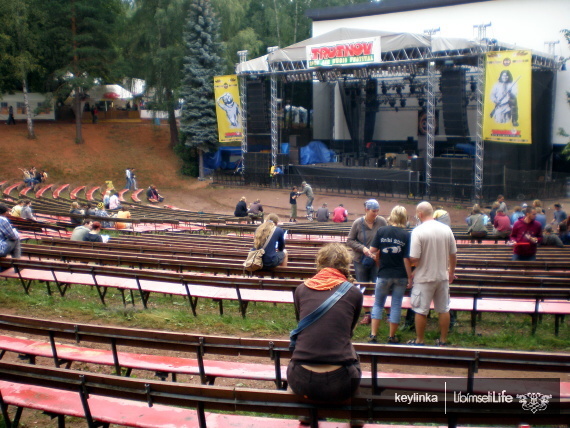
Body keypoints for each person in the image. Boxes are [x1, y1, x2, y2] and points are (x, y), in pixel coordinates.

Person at [287, 242, 362, 403]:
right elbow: (348, 332)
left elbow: (302, 322)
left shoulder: (301, 289)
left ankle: (308, 412)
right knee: (351, 351)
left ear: (320, 263)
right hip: (341, 382)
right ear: (345, 264)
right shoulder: (354, 293)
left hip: (300, 379)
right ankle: (355, 414)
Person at [407, 202, 457, 346]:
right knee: (443, 309)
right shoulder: (446, 229)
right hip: (442, 276)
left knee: (421, 310)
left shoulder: (418, 231)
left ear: (420, 214)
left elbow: (414, 258)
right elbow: (453, 254)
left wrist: (410, 264)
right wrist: (451, 272)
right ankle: (443, 340)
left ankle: (420, 340)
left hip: (424, 277)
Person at [368, 206, 412, 344]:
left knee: (378, 304)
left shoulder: (382, 231)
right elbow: (406, 258)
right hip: (400, 274)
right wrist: (410, 277)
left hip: (384, 273)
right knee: (396, 304)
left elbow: (372, 250)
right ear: (404, 218)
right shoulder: (406, 235)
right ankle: (392, 336)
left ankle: (373, 335)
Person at [347, 199, 387, 325]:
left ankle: (376, 311)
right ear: (366, 210)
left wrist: (378, 253)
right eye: (373, 211)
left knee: (377, 285)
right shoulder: (358, 223)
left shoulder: (382, 222)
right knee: (363, 285)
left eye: (377, 211)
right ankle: (367, 313)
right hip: (360, 260)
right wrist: (363, 248)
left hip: (377, 260)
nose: (376, 213)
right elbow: (350, 240)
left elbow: (386, 239)